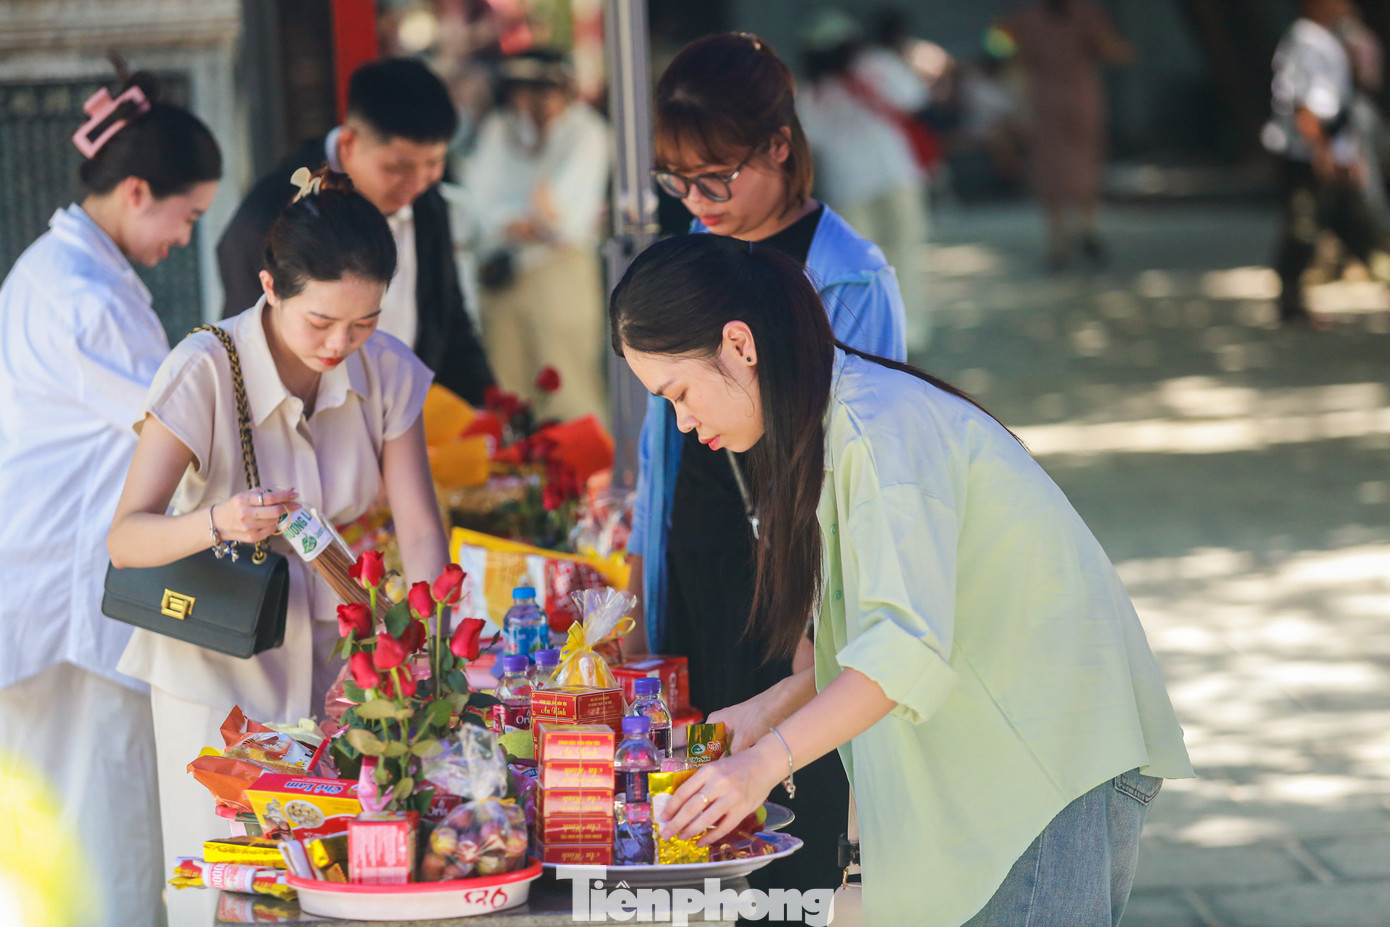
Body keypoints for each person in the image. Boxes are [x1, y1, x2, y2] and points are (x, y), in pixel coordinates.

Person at [610, 233, 1194, 927]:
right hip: (1009, 769)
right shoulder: (834, 426)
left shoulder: (877, 426)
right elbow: (878, 643)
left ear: (740, 344)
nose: (681, 421)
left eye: (678, 393)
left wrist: (765, 761)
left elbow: (904, 648)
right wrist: (767, 711)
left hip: (1043, 767)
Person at [109, 168, 450, 926]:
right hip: (215, 669)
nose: (341, 344)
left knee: (337, 884)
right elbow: (126, 537)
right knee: (221, 886)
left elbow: (420, 526)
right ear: (270, 285)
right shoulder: (203, 368)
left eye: (363, 323)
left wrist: (423, 648)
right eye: (321, 321)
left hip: (342, 665)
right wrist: (219, 521)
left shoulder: (385, 368)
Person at [629, 30, 907, 907]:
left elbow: (868, 460)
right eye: (678, 181)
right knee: (701, 808)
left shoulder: (850, 276)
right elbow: (659, 446)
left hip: (799, 570)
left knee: (798, 819)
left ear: (781, 146)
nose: (699, 201)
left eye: (718, 178)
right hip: (703, 554)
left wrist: (820, 618)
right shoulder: (688, 253)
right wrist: (639, 587)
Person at [0, 65, 220, 927]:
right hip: (64, 604)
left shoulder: (58, 269)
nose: (183, 236)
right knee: (106, 827)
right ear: (137, 191)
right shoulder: (82, 295)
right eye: (187, 215)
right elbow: (171, 427)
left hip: (48, 583)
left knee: (68, 827)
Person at [217, 57, 496, 405]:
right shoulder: (269, 218)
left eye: (434, 164)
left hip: (407, 420)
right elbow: (252, 356)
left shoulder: (425, 200)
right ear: (348, 144)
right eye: (399, 167)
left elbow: (449, 321)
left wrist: (491, 408)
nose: (418, 182)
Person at [466, 49, 611, 421]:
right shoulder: (500, 127)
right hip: (503, 274)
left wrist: (536, 222)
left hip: (560, 271)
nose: (531, 100)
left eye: (542, 90)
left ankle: (587, 477)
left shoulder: (587, 131)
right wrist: (528, 221)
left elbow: (568, 221)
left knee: (568, 386)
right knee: (508, 389)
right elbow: (481, 202)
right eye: (522, 89)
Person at [798, 8, 933, 348]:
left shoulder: (813, 89)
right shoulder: (877, 63)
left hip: (851, 184)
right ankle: (910, 329)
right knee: (906, 252)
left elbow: (811, 138)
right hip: (895, 173)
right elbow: (915, 96)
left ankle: (871, 336)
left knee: (860, 267)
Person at [1264, 0, 1390, 327]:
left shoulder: (1325, 40)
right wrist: (1323, 153)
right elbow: (1307, 106)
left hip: (1330, 149)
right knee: (1304, 227)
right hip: (1308, 154)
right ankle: (1290, 302)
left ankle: (1384, 276)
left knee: (1354, 223)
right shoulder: (1306, 41)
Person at [1000, 0, 1133, 270]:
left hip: (1047, 101)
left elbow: (1012, 57)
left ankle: (1060, 242)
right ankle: (1085, 231)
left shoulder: (1030, 16)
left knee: (1053, 171)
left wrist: (1016, 104)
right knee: (1081, 166)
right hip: (1078, 97)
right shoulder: (1084, 12)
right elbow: (1112, 49)